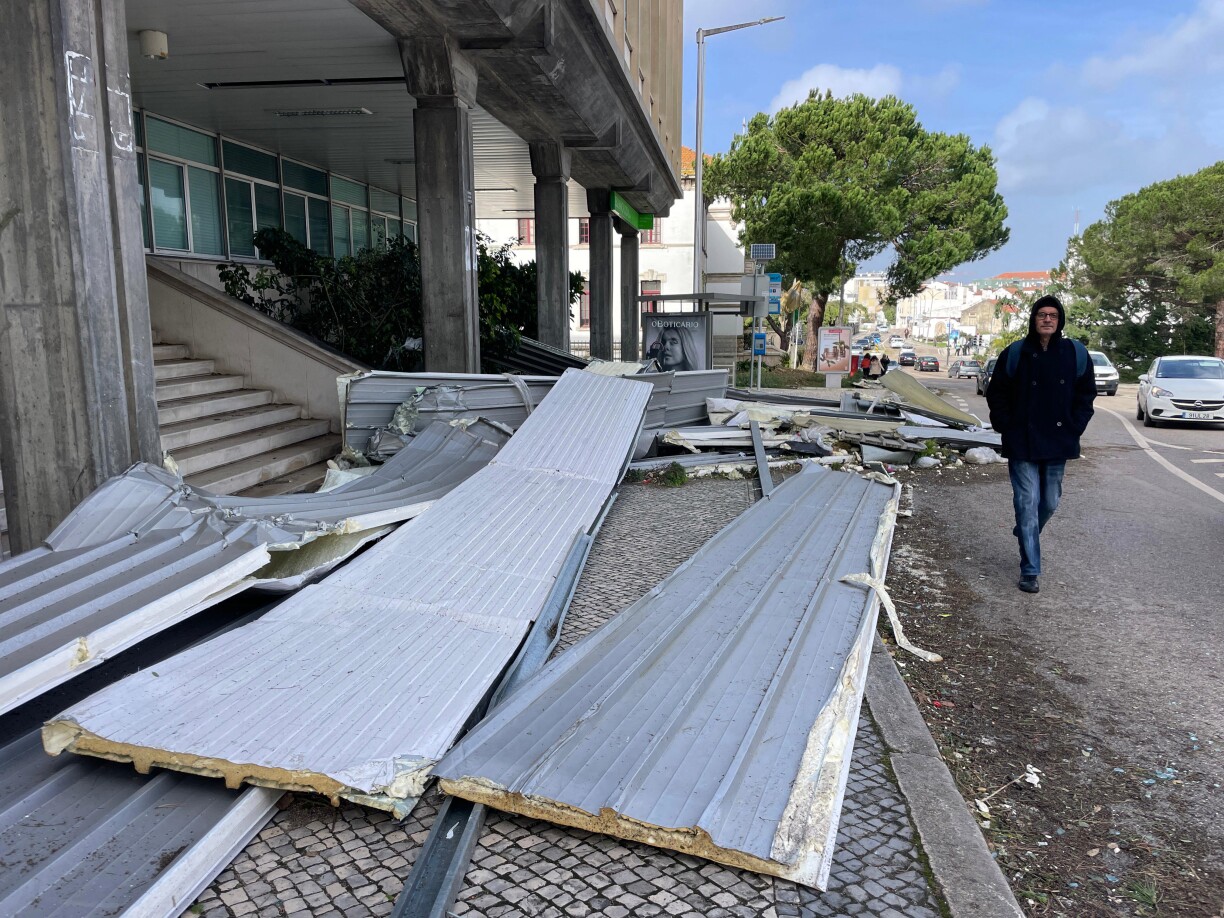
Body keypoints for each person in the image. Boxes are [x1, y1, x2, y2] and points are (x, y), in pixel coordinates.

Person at [986, 295, 1096, 594]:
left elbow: (1086, 395)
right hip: (1023, 439)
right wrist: (1006, 425)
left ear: (1059, 320)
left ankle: (1025, 530)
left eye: (1053, 315)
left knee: (1049, 502)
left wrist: (1076, 426)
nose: (1047, 319)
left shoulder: (1075, 353)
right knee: (1026, 502)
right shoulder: (1016, 352)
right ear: (1033, 320)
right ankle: (1030, 570)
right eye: (1041, 315)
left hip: (1059, 439)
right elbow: (997, 393)